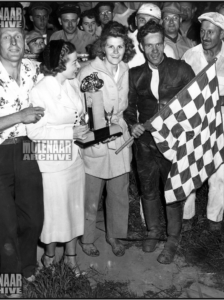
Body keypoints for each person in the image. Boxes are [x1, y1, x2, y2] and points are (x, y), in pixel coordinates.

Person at [124, 20, 195, 264]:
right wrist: (132, 123)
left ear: (164, 43)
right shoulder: (134, 74)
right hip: (144, 142)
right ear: (142, 47)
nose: (155, 50)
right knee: (148, 188)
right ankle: (153, 231)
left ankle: (173, 238)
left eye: (159, 44)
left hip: (174, 141)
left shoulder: (182, 69)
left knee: (173, 190)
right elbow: (128, 107)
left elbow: (195, 105)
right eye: (149, 45)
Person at [26, 40, 88, 276]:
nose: (78, 65)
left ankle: (71, 258)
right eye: (74, 61)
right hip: (53, 162)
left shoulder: (71, 83)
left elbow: (76, 115)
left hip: (74, 158)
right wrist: (70, 132)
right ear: (60, 64)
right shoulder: (40, 91)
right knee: (53, 214)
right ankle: (49, 257)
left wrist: (86, 128)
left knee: (73, 208)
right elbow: (35, 132)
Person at [182, 12, 224, 231]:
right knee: (190, 169)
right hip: (195, 122)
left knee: (219, 172)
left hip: (222, 122)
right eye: (202, 31)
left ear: (222, 33)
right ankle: (186, 217)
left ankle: (214, 219)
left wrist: (217, 100)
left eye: (211, 32)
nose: (205, 36)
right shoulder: (190, 56)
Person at [78, 21, 136, 257]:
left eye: (120, 47)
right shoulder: (90, 71)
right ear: (102, 47)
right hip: (98, 132)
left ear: (126, 48)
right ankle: (87, 237)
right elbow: (91, 110)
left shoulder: (125, 68)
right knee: (92, 193)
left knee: (119, 191)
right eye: (110, 46)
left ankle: (115, 236)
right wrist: (100, 131)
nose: (115, 52)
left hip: (119, 130)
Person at [0, 9, 45, 288]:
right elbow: (25, 114)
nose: (14, 43)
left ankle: (28, 266)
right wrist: (19, 116)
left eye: (18, 36)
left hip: (27, 148)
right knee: (5, 224)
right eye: (6, 37)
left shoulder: (34, 69)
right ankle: (9, 281)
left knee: (33, 215)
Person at [127, 3, 176, 69]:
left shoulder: (168, 51)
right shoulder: (124, 44)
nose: (146, 25)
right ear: (136, 21)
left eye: (152, 21)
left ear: (160, 23)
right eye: (142, 20)